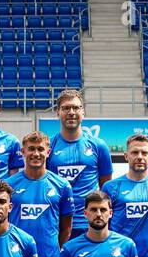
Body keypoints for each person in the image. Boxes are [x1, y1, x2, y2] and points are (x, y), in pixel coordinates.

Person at [46, 88, 112, 231]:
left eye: (76, 108)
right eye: (66, 108)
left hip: (89, 223)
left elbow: (105, 187)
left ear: (83, 112)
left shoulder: (98, 145)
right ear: (58, 112)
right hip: (57, 222)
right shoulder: (48, 147)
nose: (71, 112)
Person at [8, 130, 73, 257]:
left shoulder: (62, 185)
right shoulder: (8, 185)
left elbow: (66, 229)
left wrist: (56, 253)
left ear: (48, 152)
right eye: (31, 149)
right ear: (23, 152)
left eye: (40, 149)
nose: (36, 154)